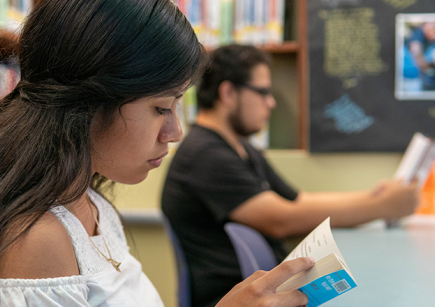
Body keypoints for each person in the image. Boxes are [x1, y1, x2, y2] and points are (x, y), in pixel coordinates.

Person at [0, 1, 317, 306]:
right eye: (161, 107)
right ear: (88, 105)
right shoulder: (38, 242)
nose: (175, 131)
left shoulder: (92, 205)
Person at [161, 44, 420, 307]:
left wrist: (375, 197)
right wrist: (380, 206)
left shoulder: (241, 148)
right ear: (228, 93)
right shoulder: (205, 155)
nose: (271, 103)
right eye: (262, 92)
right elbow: (282, 219)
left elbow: (299, 201)